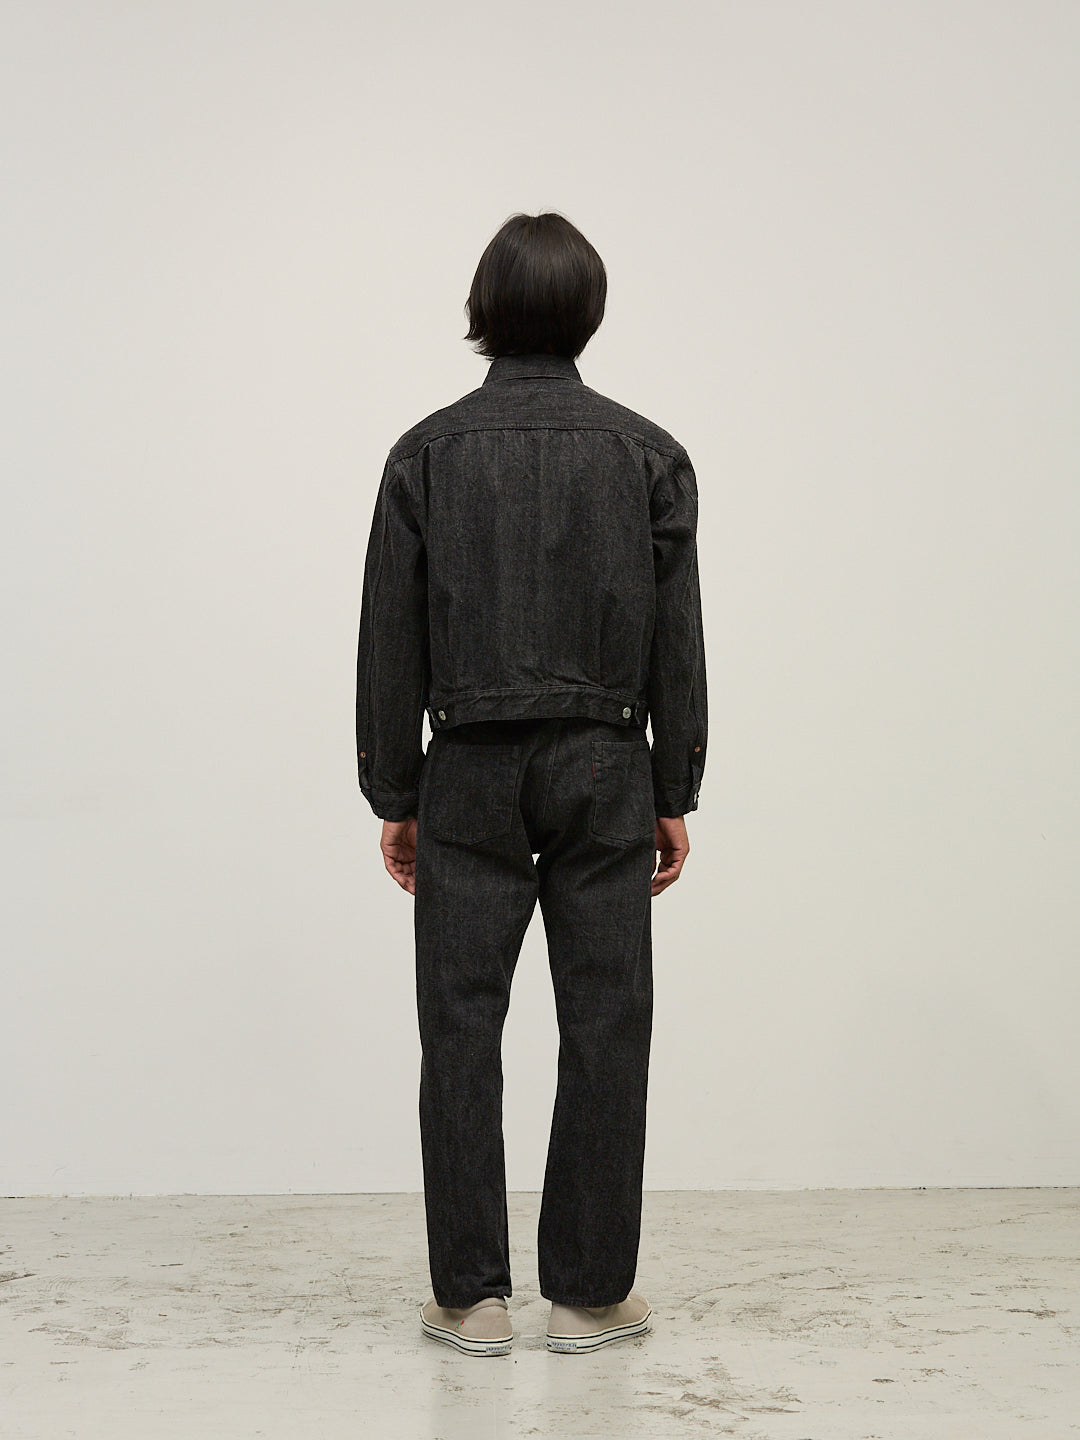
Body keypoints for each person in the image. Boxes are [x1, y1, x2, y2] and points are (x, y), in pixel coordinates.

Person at [355, 211, 707, 1356]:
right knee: (607, 1019)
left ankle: (472, 1299)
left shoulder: (424, 454)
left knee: (459, 1024)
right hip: (607, 764)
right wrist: (674, 784)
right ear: (589, 313)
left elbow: (389, 637)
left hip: (466, 768)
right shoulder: (650, 456)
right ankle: (590, 1296)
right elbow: (678, 637)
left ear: (483, 309)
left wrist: (395, 791)